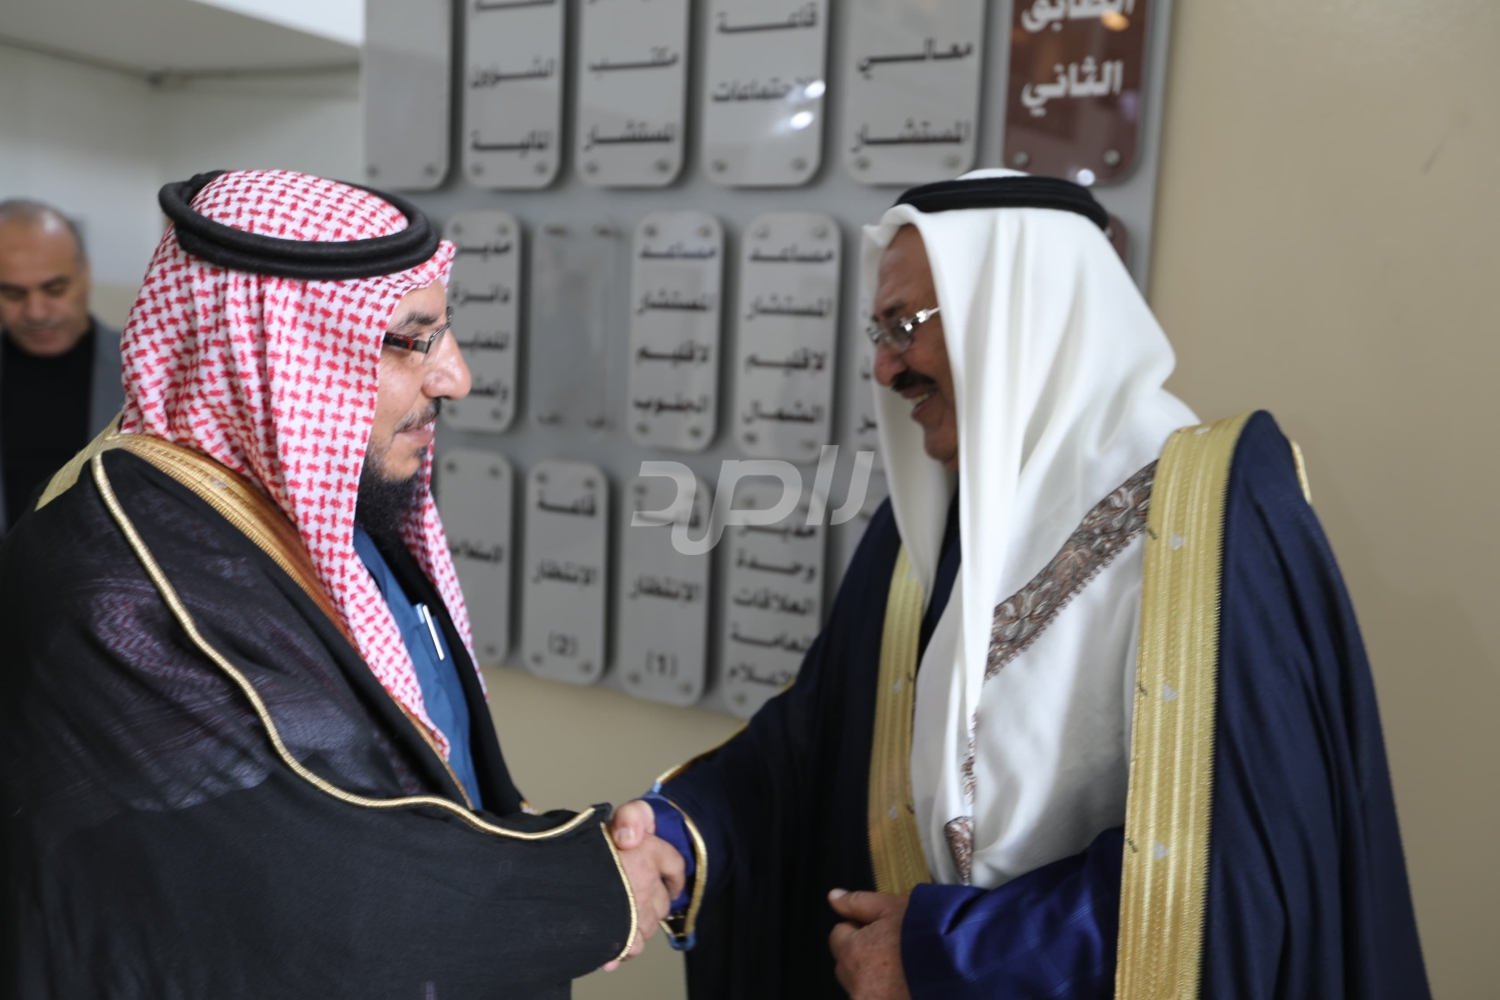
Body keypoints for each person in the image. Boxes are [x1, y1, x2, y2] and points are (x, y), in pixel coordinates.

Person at [610, 170, 1430, 999]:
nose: (886, 369)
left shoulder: (1212, 511)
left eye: (906, 327)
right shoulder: (930, 523)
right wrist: (679, 835)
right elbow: (812, 742)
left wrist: (949, 955)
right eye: (880, 332)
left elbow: (1247, 860)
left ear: (1015, 316)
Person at [0, 170, 683, 998]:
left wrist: (528, 850)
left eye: (444, 333)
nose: (454, 377)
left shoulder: (328, 507)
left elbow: (418, 764)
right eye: (408, 340)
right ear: (272, 353)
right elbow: (294, 895)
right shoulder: (110, 586)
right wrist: (586, 888)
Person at [0, 199, 124, 532]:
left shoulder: (146, 374)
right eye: (12, 294)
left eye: (55, 289)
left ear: (86, 273)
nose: (36, 312)